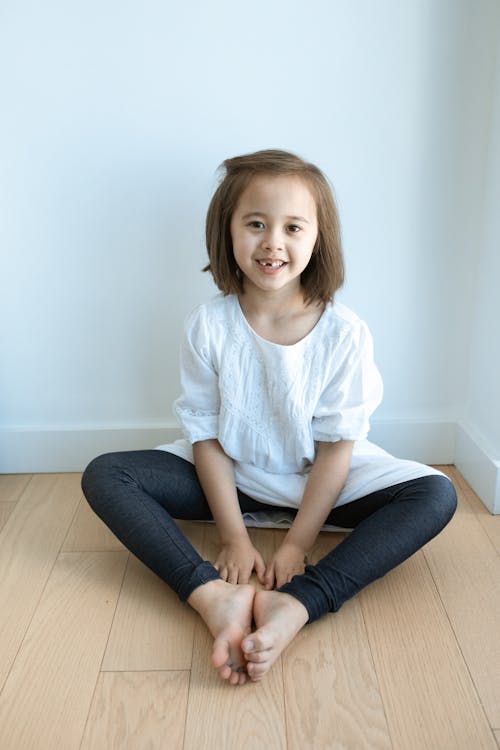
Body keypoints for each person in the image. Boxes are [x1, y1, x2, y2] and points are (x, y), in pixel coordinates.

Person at [81, 149, 457, 687]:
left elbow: (337, 447)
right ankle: (213, 597)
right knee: (105, 474)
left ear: (317, 238)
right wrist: (233, 535)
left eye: (292, 227)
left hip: (325, 482)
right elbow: (205, 436)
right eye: (255, 223)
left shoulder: (343, 332)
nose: (272, 241)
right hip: (236, 479)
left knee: (436, 495)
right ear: (227, 231)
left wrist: (298, 544)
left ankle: (300, 605)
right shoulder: (208, 325)